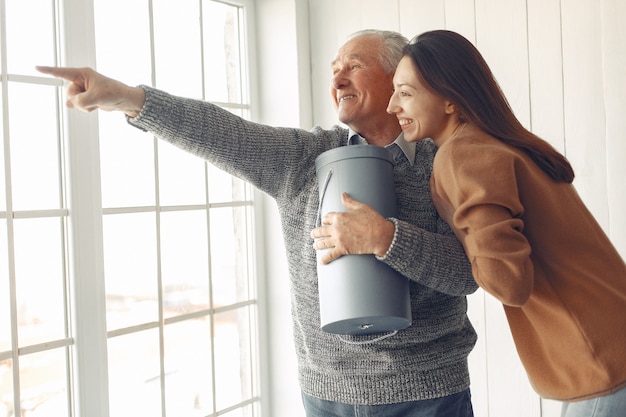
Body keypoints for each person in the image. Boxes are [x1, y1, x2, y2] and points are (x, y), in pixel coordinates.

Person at [37, 29, 478, 417]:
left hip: (430, 393)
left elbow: (469, 273)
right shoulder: (304, 160)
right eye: (333, 69)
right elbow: (221, 132)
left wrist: (386, 238)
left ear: (397, 79)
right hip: (327, 396)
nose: (338, 78)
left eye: (355, 65)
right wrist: (128, 99)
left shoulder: (447, 164)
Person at [379, 29, 625, 416]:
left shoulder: (463, 155)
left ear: (449, 100)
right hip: (610, 345)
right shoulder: (497, 142)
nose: (392, 105)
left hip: (598, 363)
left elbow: (508, 282)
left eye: (406, 93)